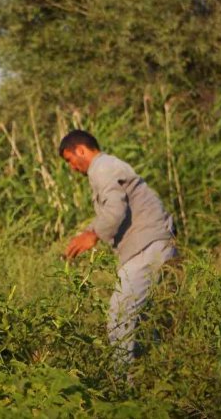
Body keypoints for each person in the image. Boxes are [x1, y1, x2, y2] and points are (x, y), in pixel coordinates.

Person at [59, 129, 177, 366]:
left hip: (147, 247)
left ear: (80, 150)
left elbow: (115, 210)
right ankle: (157, 382)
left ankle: (124, 391)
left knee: (120, 317)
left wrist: (93, 234)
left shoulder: (101, 168)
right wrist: (88, 232)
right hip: (153, 244)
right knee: (141, 323)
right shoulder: (108, 167)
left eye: (70, 160)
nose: (72, 168)